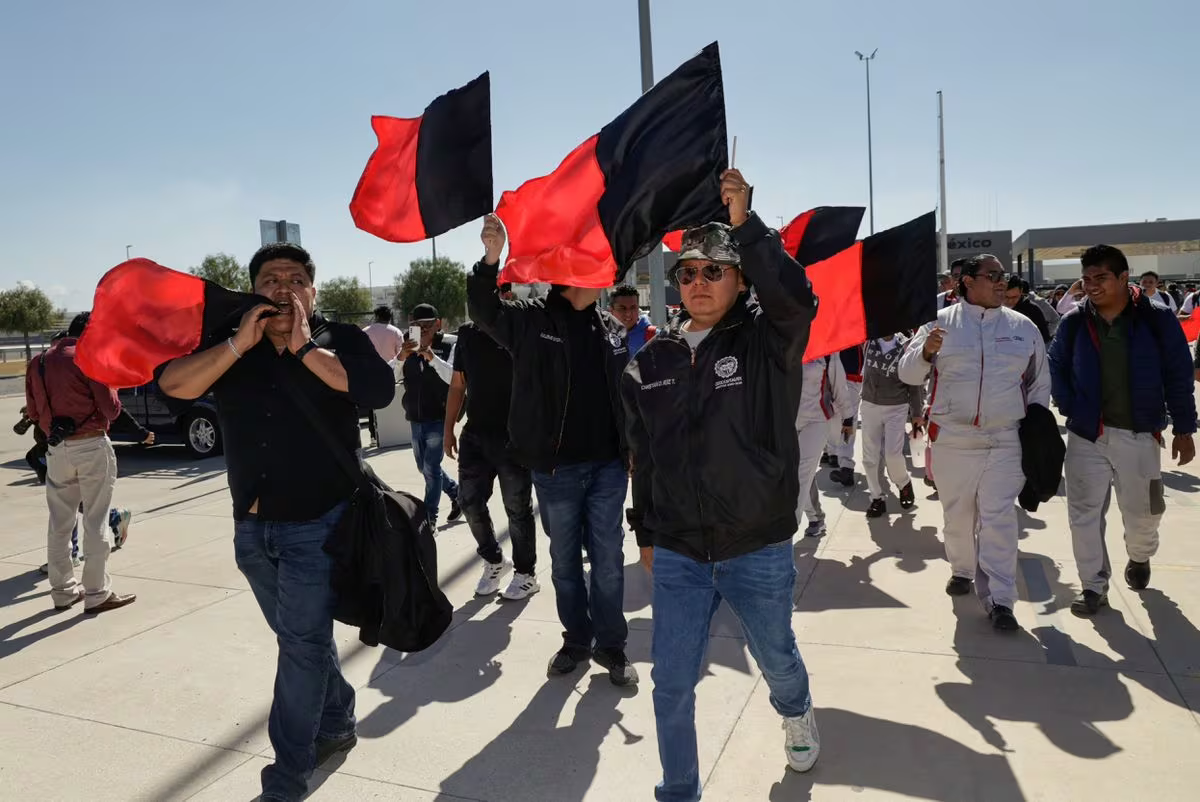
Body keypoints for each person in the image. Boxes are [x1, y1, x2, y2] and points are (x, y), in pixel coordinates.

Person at [158, 242, 395, 802]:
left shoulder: (338, 339)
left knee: (300, 647)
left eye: (295, 278)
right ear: (252, 290)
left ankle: (286, 780)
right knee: (303, 643)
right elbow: (174, 386)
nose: (283, 286)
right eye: (270, 278)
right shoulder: (231, 345)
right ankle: (336, 721)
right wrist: (240, 342)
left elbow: (377, 389)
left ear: (313, 290)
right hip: (251, 530)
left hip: (319, 525)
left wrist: (304, 346)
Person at [623, 169, 821, 800]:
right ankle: (678, 790)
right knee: (672, 684)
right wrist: (645, 529)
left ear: (739, 279)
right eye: (687, 272)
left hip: (755, 546)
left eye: (714, 270)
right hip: (679, 551)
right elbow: (644, 457)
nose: (699, 282)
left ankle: (796, 712)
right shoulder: (650, 358)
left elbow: (796, 299)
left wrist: (746, 224)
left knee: (777, 659)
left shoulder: (768, 339)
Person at [468, 213, 636, 687]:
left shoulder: (608, 327)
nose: (606, 269)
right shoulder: (531, 320)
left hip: (607, 467)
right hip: (557, 470)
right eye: (597, 262)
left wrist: (633, 445)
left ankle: (612, 646)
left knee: (607, 562)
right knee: (564, 565)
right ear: (573, 272)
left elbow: (623, 393)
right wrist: (491, 258)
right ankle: (576, 641)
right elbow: (484, 311)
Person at [899, 253, 1050, 632]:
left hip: (1004, 439)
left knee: (999, 519)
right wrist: (927, 351)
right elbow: (909, 373)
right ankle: (962, 569)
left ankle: (1001, 598)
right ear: (967, 281)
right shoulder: (939, 324)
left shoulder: (1023, 327)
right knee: (958, 517)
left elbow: (1039, 383)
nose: (1003, 282)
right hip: (953, 439)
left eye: (1005, 276)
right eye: (993, 275)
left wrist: (1036, 431)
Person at [1048, 245, 1196, 615]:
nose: (1092, 286)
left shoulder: (1156, 319)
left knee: (1144, 513)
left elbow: (1179, 373)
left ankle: (1140, 555)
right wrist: (1069, 405)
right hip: (1087, 434)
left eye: (1101, 278)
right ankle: (1093, 585)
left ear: (1123, 277)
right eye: (1086, 279)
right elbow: (1056, 364)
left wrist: (1183, 426)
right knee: (1083, 514)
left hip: (1140, 433)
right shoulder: (1075, 322)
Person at [25, 312, 136, 614]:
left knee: (60, 523)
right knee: (95, 519)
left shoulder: (39, 362)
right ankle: (97, 592)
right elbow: (111, 410)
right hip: (91, 444)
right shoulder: (91, 357)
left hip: (57, 449)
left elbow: (33, 411)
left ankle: (62, 591)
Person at [445, 284, 540, 601]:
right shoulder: (467, 336)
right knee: (469, 503)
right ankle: (494, 560)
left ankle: (526, 574)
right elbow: (458, 386)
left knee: (517, 510)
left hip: (515, 437)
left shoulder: (521, 332)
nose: (496, 296)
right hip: (475, 436)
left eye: (502, 290)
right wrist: (449, 429)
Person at [399, 303, 462, 527]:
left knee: (431, 469)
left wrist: (431, 356)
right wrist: (402, 356)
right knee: (423, 468)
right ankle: (457, 494)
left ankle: (429, 518)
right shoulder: (407, 344)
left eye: (427, 325)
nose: (422, 330)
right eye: (417, 325)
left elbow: (453, 379)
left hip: (439, 417)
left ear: (438, 324)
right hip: (415, 417)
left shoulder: (450, 344)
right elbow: (393, 374)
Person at [859, 332, 923, 518]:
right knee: (869, 457)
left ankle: (903, 482)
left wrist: (917, 413)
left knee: (893, 455)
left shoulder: (905, 346)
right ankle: (876, 498)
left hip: (896, 406)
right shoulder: (868, 342)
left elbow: (915, 382)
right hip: (870, 404)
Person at [796, 356, 853, 538]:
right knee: (797, 474)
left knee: (801, 475)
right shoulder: (780, 340)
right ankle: (816, 518)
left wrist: (848, 416)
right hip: (785, 421)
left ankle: (785, 536)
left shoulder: (827, 348)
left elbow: (839, 384)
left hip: (816, 420)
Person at [825, 344, 863, 486]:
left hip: (860, 378)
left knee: (846, 420)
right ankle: (840, 459)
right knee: (842, 419)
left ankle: (837, 456)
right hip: (844, 377)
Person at [608, 284, 656, 360]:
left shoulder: (655, 336)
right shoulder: (602, 336)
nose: (628, 313)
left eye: (633, 307)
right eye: (622, 308)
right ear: (611, 310)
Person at [1002, 276, 1051, 343]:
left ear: (1021, 291)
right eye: (1006, 297)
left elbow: (1044, 337)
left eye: (1014, 297)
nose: (1010, 301)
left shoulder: (1032, 310)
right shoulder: (993, 307)